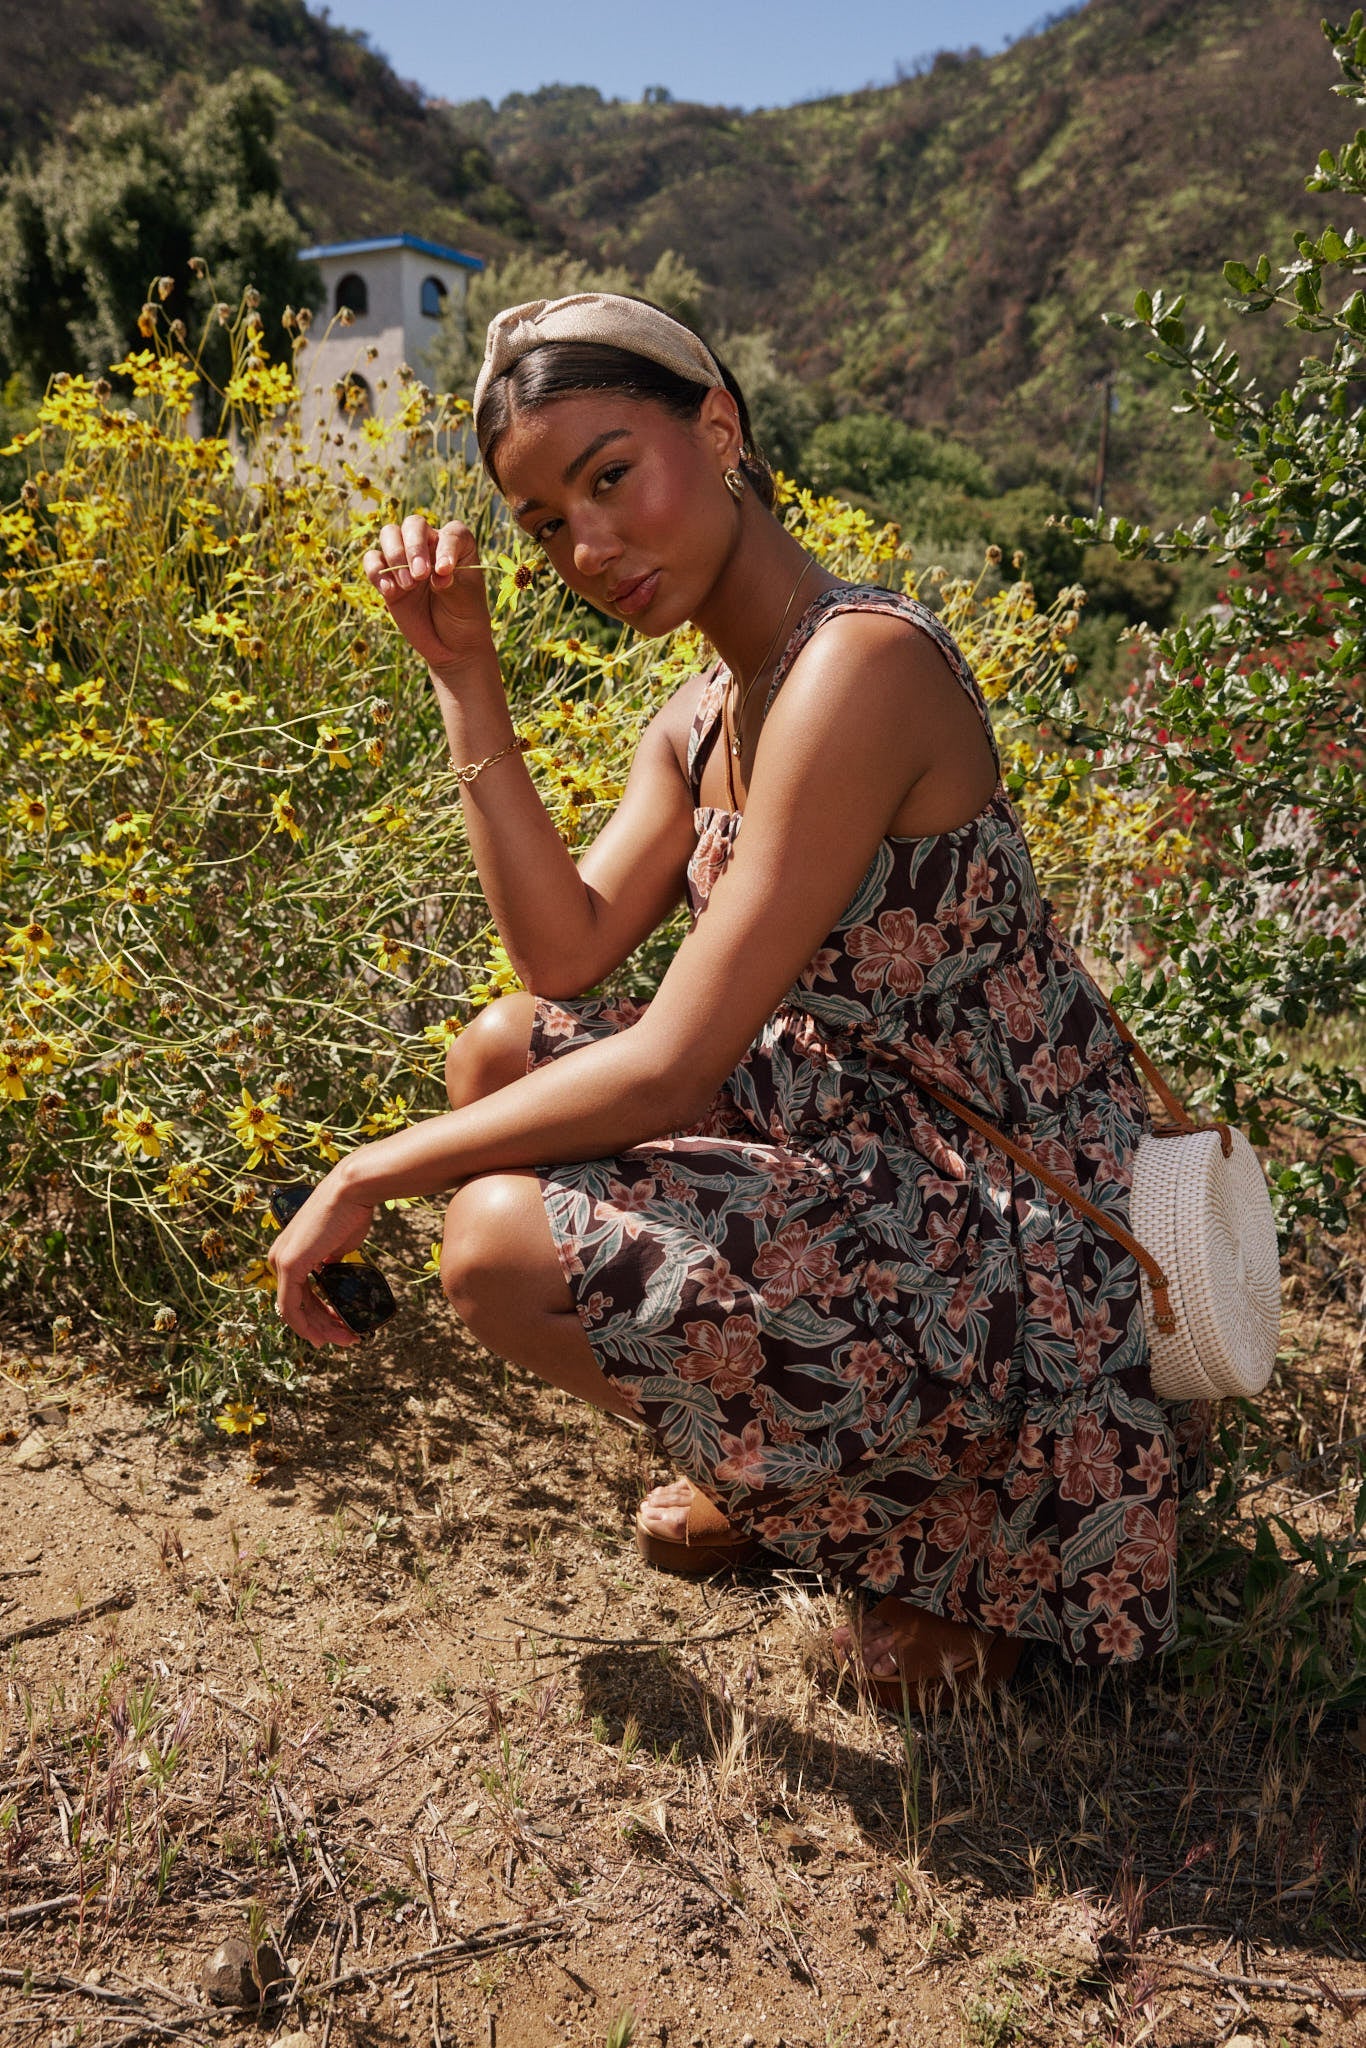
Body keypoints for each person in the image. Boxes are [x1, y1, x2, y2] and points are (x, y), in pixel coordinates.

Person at [270, 292, 1205, 1708]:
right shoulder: (706, 708)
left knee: (495, 1246)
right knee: (495, 1061)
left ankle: (952, 1554)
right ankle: (790, 1477)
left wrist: (362, 1172)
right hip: (868, 1131)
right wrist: (465, 675)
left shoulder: (858, 667)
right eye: (541, 523)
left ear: (717, 431)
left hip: (1018, 1213)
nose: (586, 549)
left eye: (607, 476)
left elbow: (665, 1066)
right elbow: (563, 956)